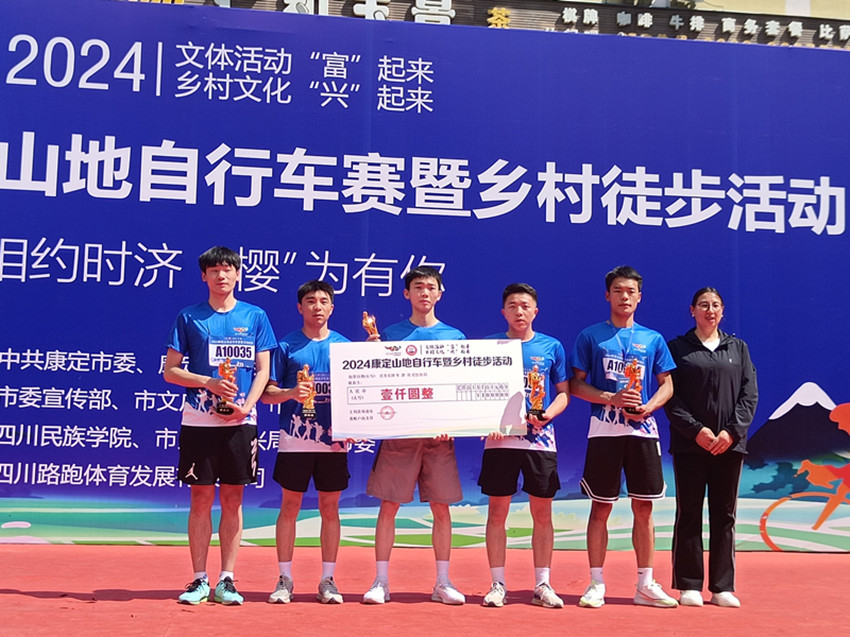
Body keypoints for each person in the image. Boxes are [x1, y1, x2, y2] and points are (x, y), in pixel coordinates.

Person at [164, 246, 276, 605]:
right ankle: (199, 580)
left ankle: (227, 580)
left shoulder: (255, 316)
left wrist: (247, 407)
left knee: (233, 498)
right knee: (200, 497)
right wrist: (208, 382)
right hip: (199, 421)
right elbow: (170, 371)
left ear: (238, 274)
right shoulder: (189, 317)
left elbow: (263, 370)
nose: (221, 275)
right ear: (204, 276)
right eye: (214, 270)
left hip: (241, 421)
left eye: (227, 269)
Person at [568, 265, 678, 609]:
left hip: (643, 432)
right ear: (607, 295)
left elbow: (667, 385)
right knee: (601, 506)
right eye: (618, 290)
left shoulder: (652, 339)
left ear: (639, 297)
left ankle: (645, 584)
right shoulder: (591, 336)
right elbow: (575, 385)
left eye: (631, 291)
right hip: (605, 431)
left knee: (644, 507)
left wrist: (648, 407)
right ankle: (596, 583)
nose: (624, 296)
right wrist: (611, 398)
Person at [362, 266, 466, 605]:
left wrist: (455, 422)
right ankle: (380, 582)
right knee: (389, 505)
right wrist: (370, 354)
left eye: (430, 287)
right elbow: (375, 382)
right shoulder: (390, 335)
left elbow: (461, 388)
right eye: (418, 287)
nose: (424, 292)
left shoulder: (455, 338)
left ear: (440, 294)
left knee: (441, 507)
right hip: (400, 433)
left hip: (439, 437)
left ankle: (442, 582)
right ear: (407, 294)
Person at [664, 287, 758, 608]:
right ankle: (688, 585)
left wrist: (731, 432)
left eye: (716, 305)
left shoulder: (738, 348)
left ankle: (722, 587)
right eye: (703, 305)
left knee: (724, 515)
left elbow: (749, 394)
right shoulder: (678, 348)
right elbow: (670, 397)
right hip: (690, 446)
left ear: (722, 311)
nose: (710, 310)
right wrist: (696, 431)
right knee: (689, 512)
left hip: (729, 447)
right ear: (692, 310)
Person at [479, 283, 570, 609]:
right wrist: (484, 421)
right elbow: (475, 391)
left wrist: (548, 414)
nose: (519, 311)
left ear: (535, 311)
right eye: (513, 306)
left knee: (542, 513)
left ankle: (542, 583)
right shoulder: (489, 346)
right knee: (497, 512)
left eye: (525, 306)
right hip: (500, 442)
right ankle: (497, 584)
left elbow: (563, 393)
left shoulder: (551, 346)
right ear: (503, 312)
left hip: (540, 442)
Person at [261, 280, 351, 605]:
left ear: (332, 308)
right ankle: (284, 579)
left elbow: (357, 396)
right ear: (300, 307)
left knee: (330, 508)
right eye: (310, 301)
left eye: (323, 301)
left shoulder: (344, 347)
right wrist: (290, 393)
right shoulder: (285, 347)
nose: (317, 306)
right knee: (290, 507)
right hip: (295, 441)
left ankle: (328, 580)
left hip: (332, 444)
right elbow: (267, 394)